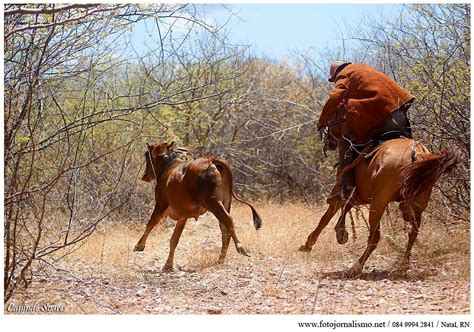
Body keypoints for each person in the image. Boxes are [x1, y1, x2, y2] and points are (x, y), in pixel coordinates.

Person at [318, 61, 415, 202]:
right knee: (409, 148)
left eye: (334, 80)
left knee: (346, 141)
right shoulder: (363, 69)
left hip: (382, 114)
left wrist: (323, 119)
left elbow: (335, 96)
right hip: (399, 112)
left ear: (336, 74)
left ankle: (347, 187)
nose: (335, 81)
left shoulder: (344, 74)